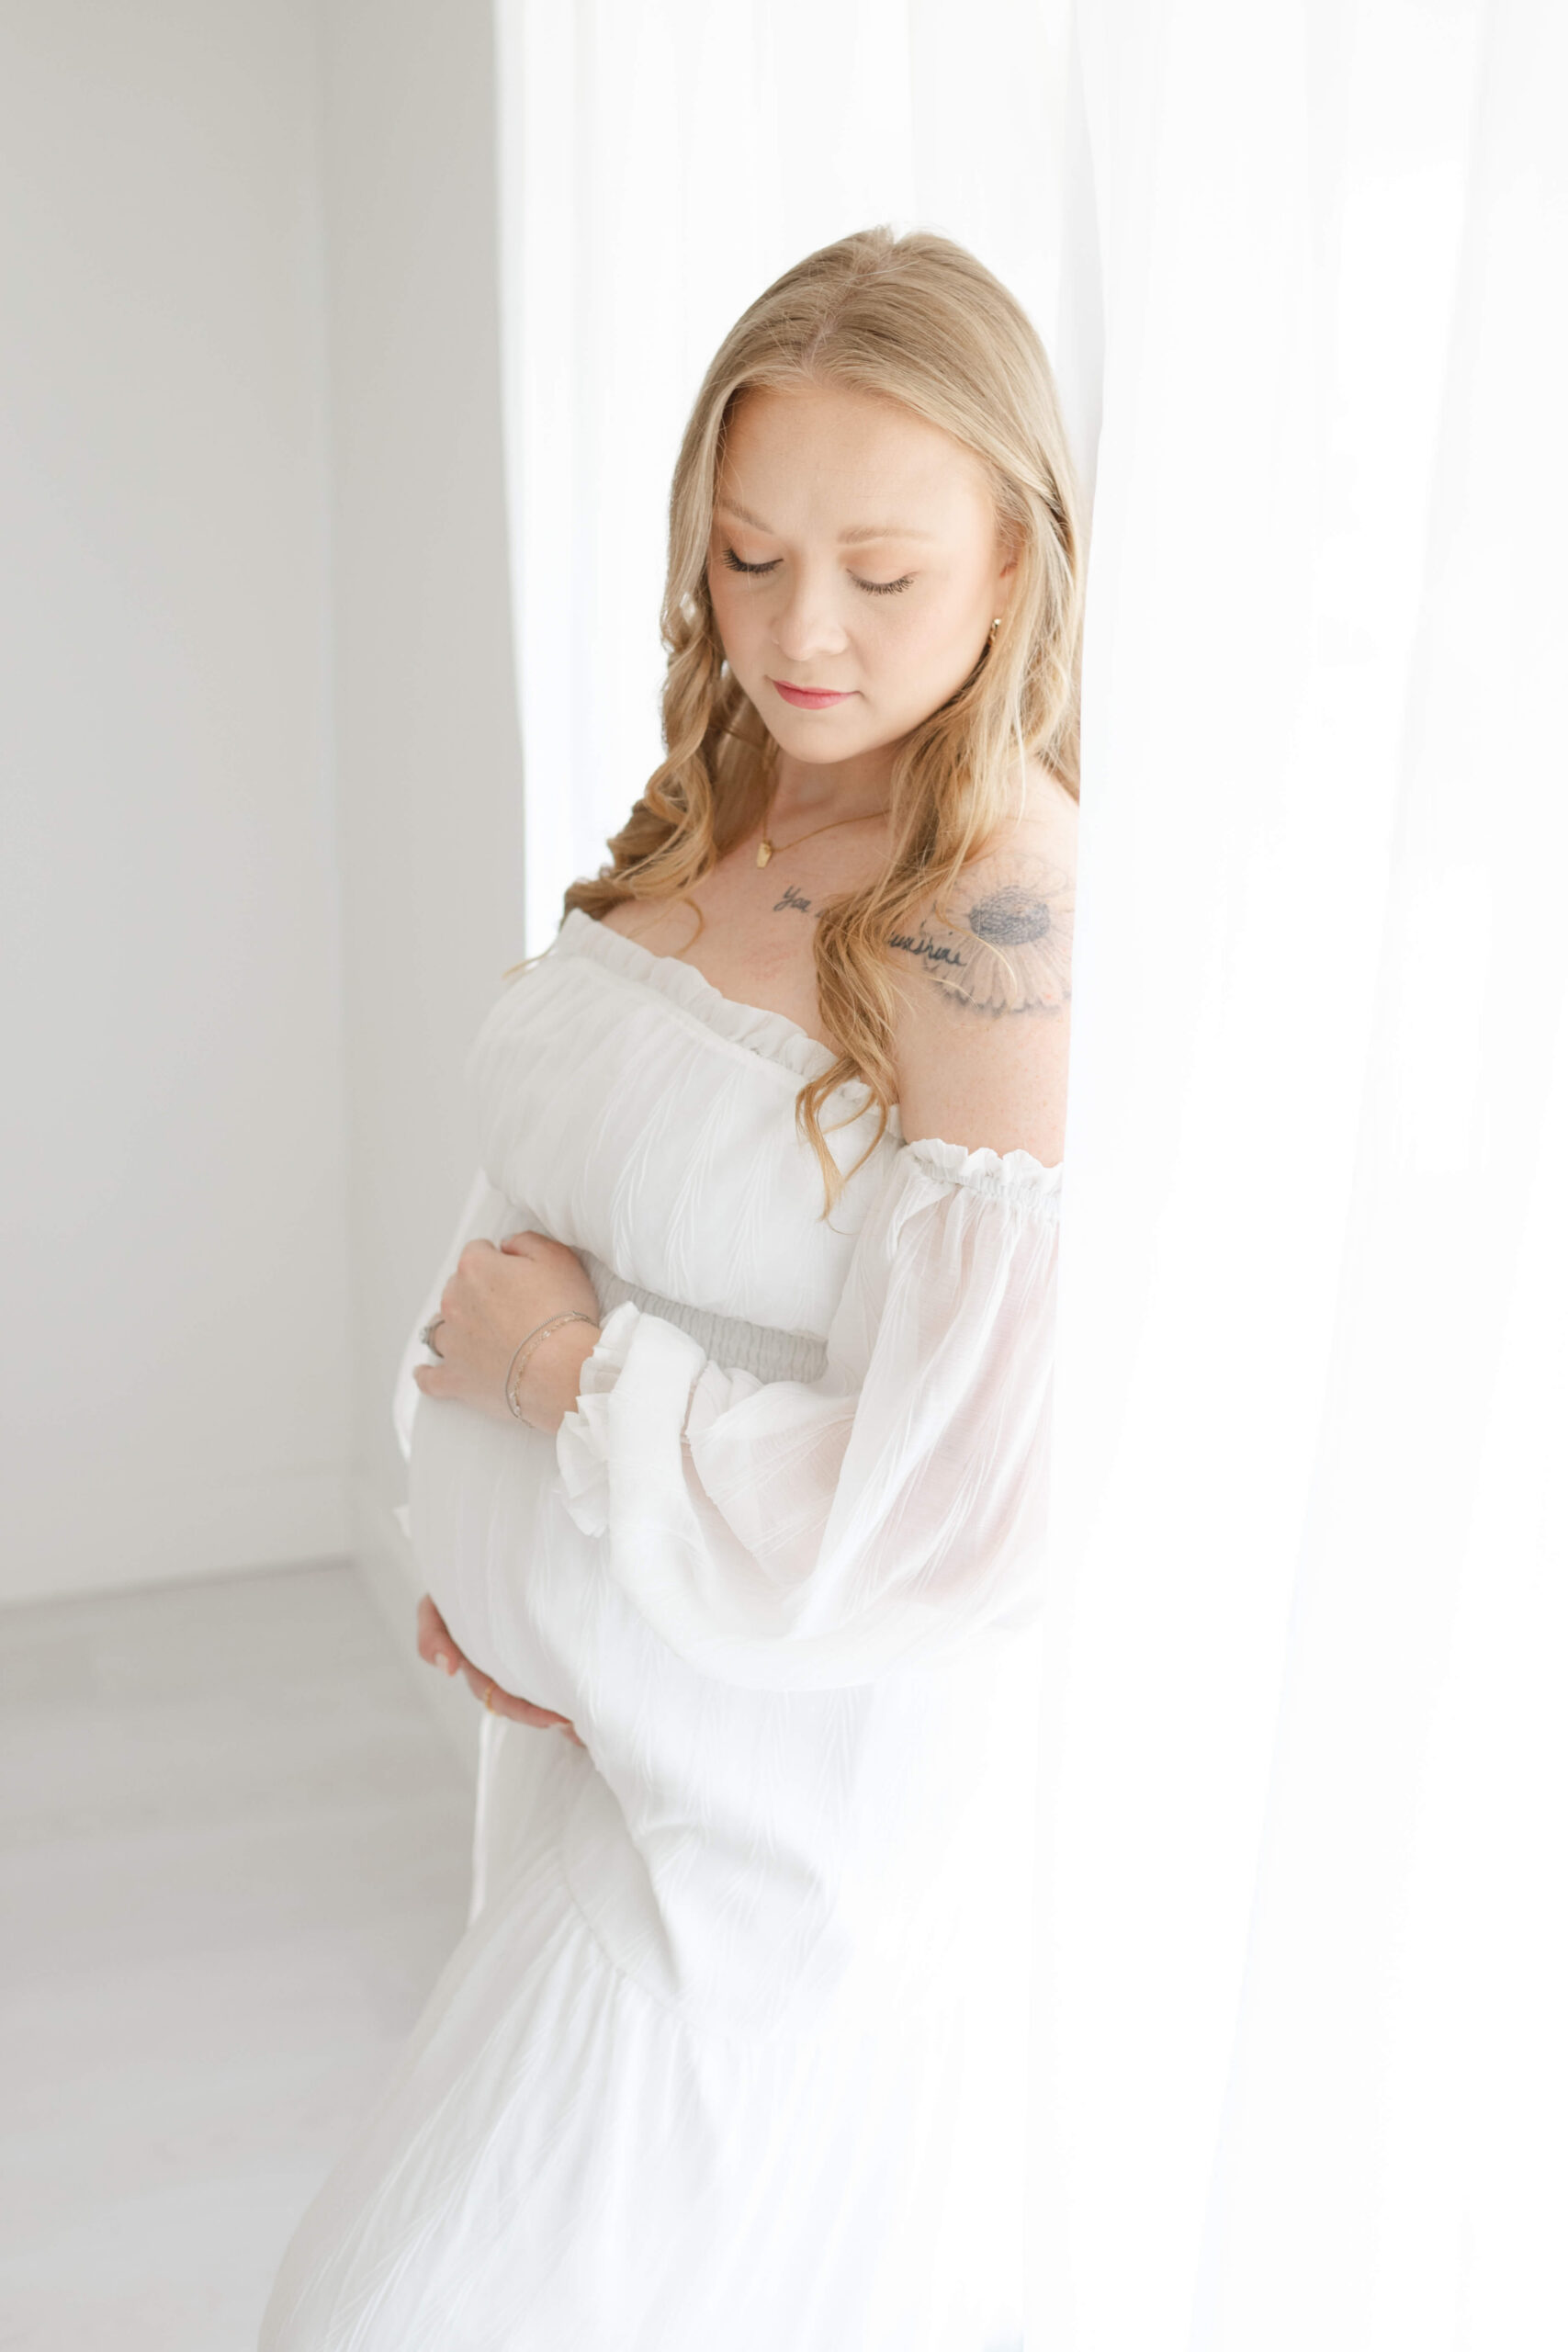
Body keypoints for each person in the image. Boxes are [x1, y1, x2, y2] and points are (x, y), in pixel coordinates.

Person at [261, 223, 1081, 2352]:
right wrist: (491, 1547)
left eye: (879, 573)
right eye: (746, 556)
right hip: (587, 1734)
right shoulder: (726, 798)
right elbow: (576, 1189)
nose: (798, 630)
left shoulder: (990, 915)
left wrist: (554, 1383)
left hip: (762, 1831)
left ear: (1013, 559)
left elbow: (959, 1506)